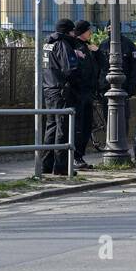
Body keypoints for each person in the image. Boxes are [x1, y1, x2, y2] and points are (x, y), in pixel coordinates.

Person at [41, 18, 83, 174]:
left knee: (51, 127)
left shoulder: (48, 43)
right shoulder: (63, 44)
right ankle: (61, 167)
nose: (74, 34)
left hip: (49, 89)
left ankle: (46, 165)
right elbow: (70, 69)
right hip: (61, 91)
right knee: (63, 128)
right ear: (67, 31)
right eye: (72, 31)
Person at [72, 20, 100, 170]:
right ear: (82, 31)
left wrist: (96, 51)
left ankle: (79, 156)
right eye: (89, 30)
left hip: (88, 92)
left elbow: (99, 66)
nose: (91, 33)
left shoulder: (87, 47)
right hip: (80, 94)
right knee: (79, 126)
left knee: (86, 126)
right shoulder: (76, 46)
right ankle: (76, 157)